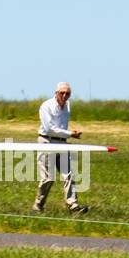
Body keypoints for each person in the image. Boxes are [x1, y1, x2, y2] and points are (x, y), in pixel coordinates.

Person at [34, 81, 88, 215]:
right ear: (56, 93)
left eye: (67, 93)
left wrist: (68, 135)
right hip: (47, 141)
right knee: (48, 178)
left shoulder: (68, 105)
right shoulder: (46, 106)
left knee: (68, 175)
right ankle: (38, 205)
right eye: (62, 93)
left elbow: (61, 126)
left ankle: (73, 205)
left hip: (62, 143)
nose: (64, 96)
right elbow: (49, 129)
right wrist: (70, 134)